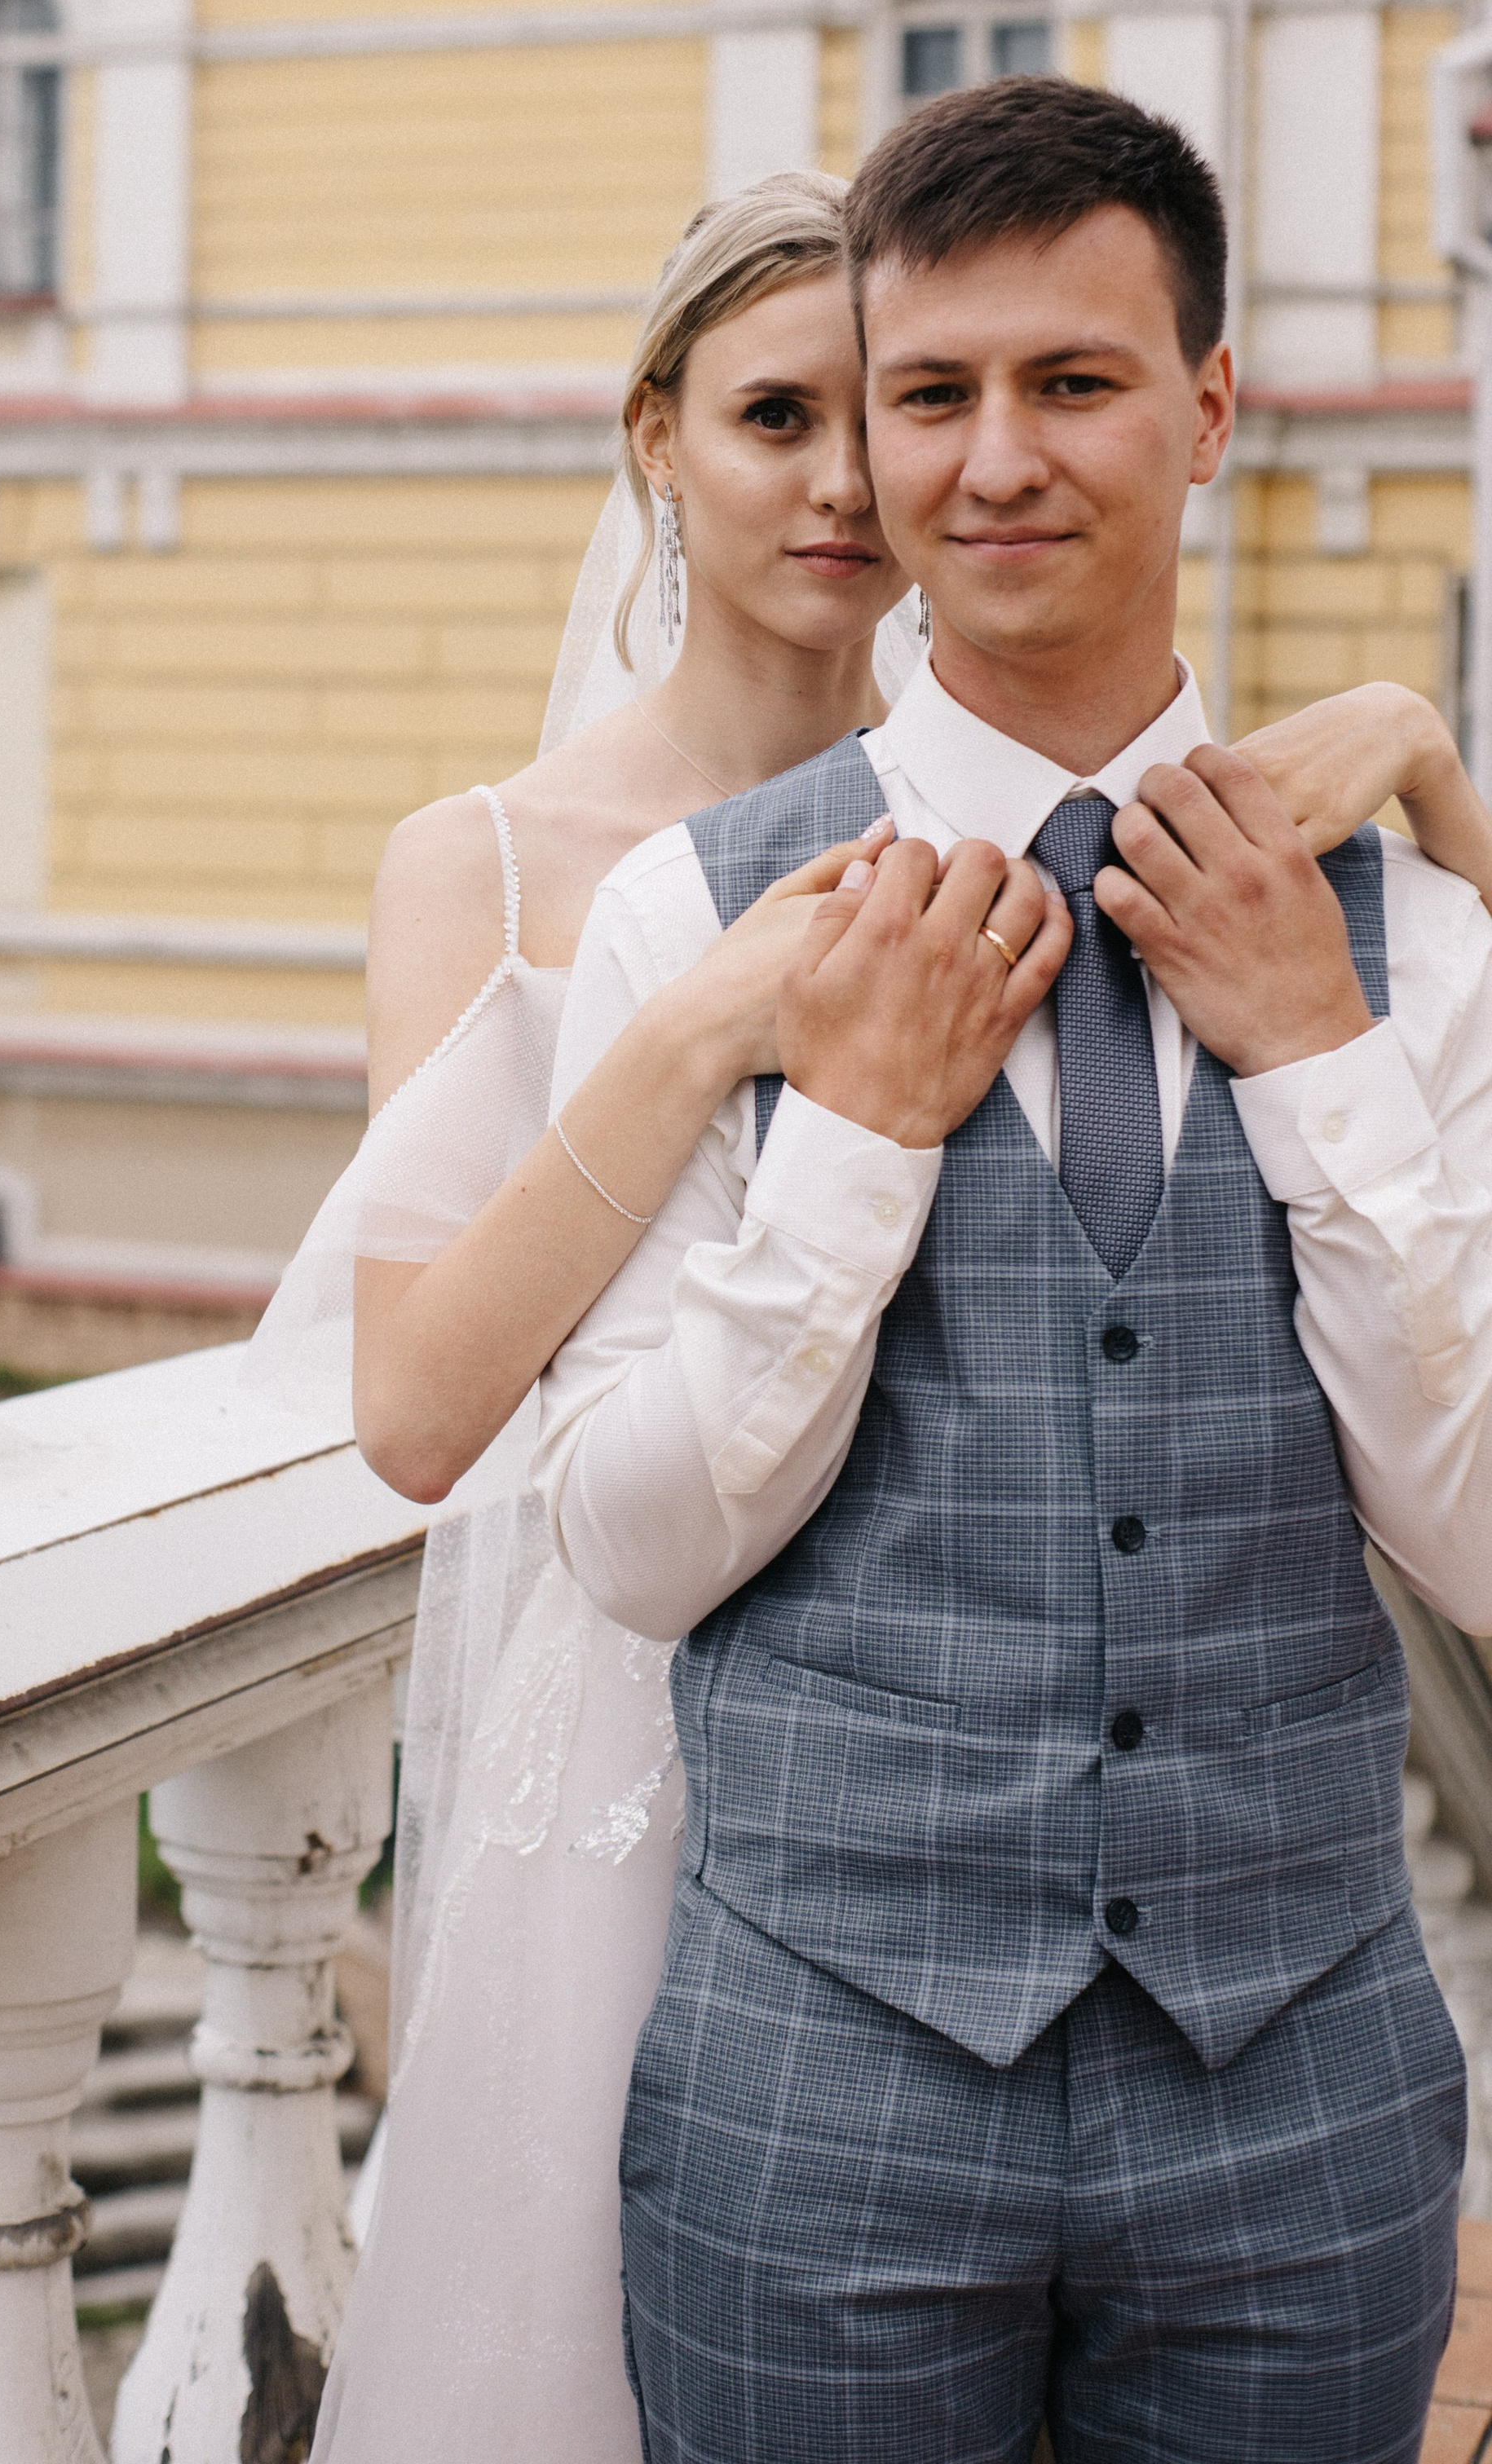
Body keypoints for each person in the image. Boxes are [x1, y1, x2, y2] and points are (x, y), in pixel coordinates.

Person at [262, 152, 1492, 2462]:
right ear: (670, 440)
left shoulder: (1391, 935)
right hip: (808, 2042)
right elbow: (517, 1475)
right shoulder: (667, 912)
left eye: (1073, 383)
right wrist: (835, 1121)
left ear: (1211, 408)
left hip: (1298, 2082)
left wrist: (1346, 998)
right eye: (912, 397)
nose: (943, 464)